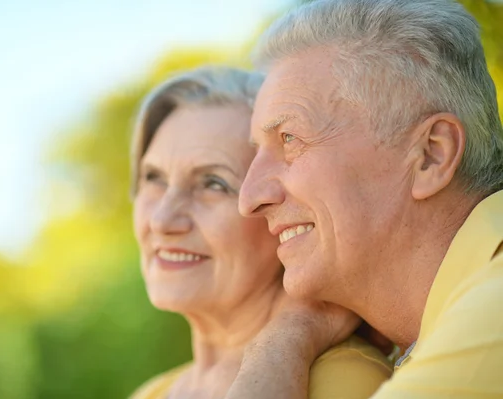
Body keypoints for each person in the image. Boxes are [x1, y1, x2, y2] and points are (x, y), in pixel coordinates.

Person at [226, 0, 503, 398]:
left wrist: (274, 351)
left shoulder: (493, 314)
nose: (249, 198)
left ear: (431, 154)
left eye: (289, 139)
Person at [128, 66, 392, 399]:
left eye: (213, 183)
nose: (162, 220)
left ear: (282, 214)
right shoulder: (152, 393)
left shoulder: (345, 382)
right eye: (154, 178)